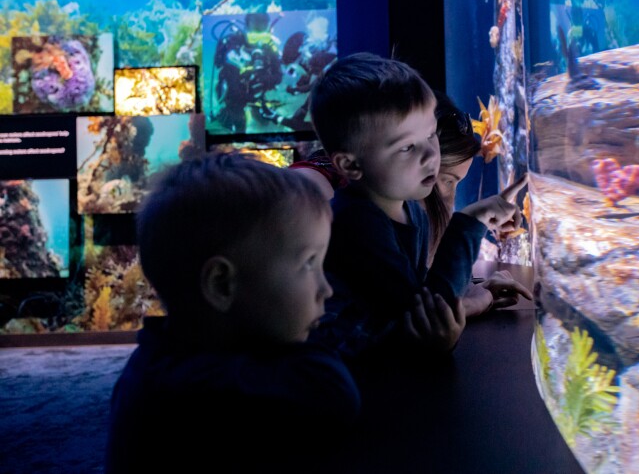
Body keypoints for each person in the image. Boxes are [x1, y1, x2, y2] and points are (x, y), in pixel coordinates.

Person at [105, 152, 360, 474]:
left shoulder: (173, 351)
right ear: (222, 285)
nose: (326, 289)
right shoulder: (199, 389)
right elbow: (333, 393)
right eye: (308, 264)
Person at [307, 52, 527, 360]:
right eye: (408, 146)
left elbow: (426, 291)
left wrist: (477, 290)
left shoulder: (409, 211)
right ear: (350, 165)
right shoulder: (357, 223)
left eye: (431, 136)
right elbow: (425, 313)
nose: (430, 156)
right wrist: (468, 223)